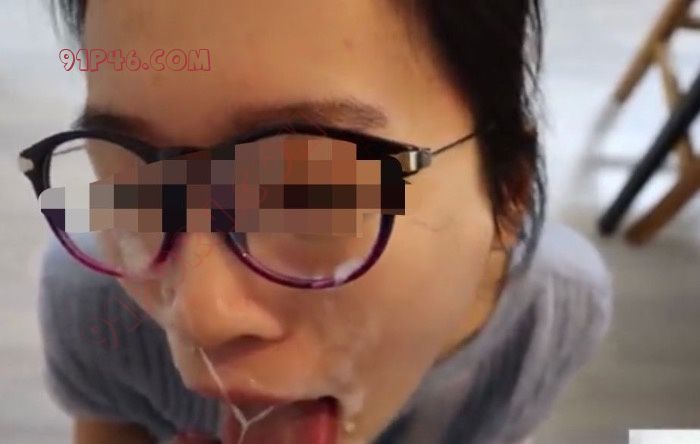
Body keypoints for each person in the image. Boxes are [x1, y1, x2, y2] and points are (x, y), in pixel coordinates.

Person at [28, 0, 613, 443]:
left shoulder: (552, 313)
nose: (197, 317)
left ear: (509, 193)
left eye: (307, 194)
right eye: (136, 190)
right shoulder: (94, 299)